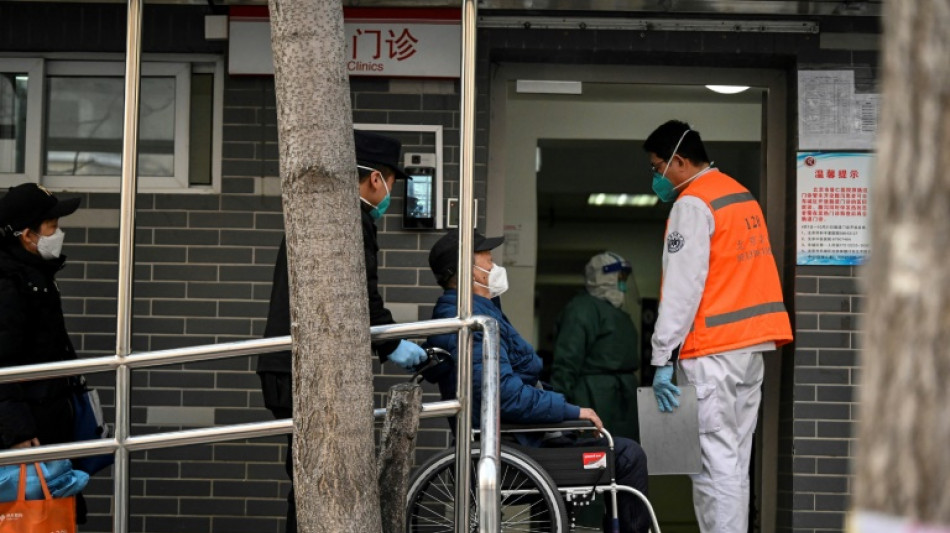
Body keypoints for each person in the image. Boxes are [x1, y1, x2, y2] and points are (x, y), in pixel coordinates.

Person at [256, 130, 428, 533]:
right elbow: (361, 297)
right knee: (316, 483)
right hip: (302, 372)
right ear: (376, 179)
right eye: (392, 183)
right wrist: (392, 344)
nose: (390, 194)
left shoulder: (317, 213)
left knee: (308, 478)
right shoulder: (352, 218)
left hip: (284, 368)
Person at [426, 230, 651, 533]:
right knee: (628, 456)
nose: (493, 265)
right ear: (468, 270)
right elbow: (504, 396)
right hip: (513, 445)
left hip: (518, 439)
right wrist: (570, 412)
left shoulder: (477, 312)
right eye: (487, 258)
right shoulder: (472, 321)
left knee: (616, 449)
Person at [643, 120, 793, 533]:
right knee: (734, 462)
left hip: (711, 354)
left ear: (679, 161)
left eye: (657, 167)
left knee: (713, 467)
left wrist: (662, 356)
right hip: (748, 352)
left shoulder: (693, 204)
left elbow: (682, 288)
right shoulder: (740, 196)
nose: (656, 177)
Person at [0, 182, 86, 521]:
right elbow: (2, 362)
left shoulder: (32, 274)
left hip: (44, 419)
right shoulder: (9, 282)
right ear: (27, 235)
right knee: (31, 516)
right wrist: (17, 431)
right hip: (29, 430)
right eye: (52, 225)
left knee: (50, 513)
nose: (58, 233)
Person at [551, 251, 640, 441]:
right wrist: (559, 405)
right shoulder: (582, 309)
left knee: (624, 449)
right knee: (595, 449)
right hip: (593, 394)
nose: (622, 283)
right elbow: (567, 360)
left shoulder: (618, 313)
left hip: (623, 398)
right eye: (619, 277)